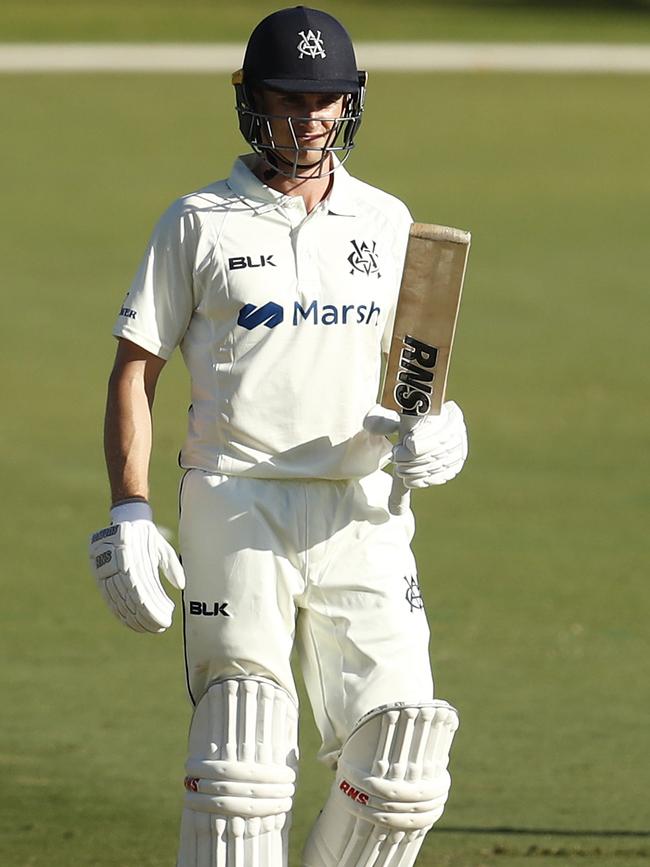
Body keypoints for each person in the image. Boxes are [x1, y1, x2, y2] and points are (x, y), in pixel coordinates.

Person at [88, 7, 468, 866]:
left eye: (326, 98)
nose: (309, 117)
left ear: (350, 102)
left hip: (363, 511)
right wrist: (131, 511)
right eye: (288, 97)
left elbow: (418, 378)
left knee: (405, 763)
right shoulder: (198, 222)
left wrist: (442, 433)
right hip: (237, 499)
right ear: (252, 101)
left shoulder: (387, 220)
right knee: (242, 759)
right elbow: (133, 373)